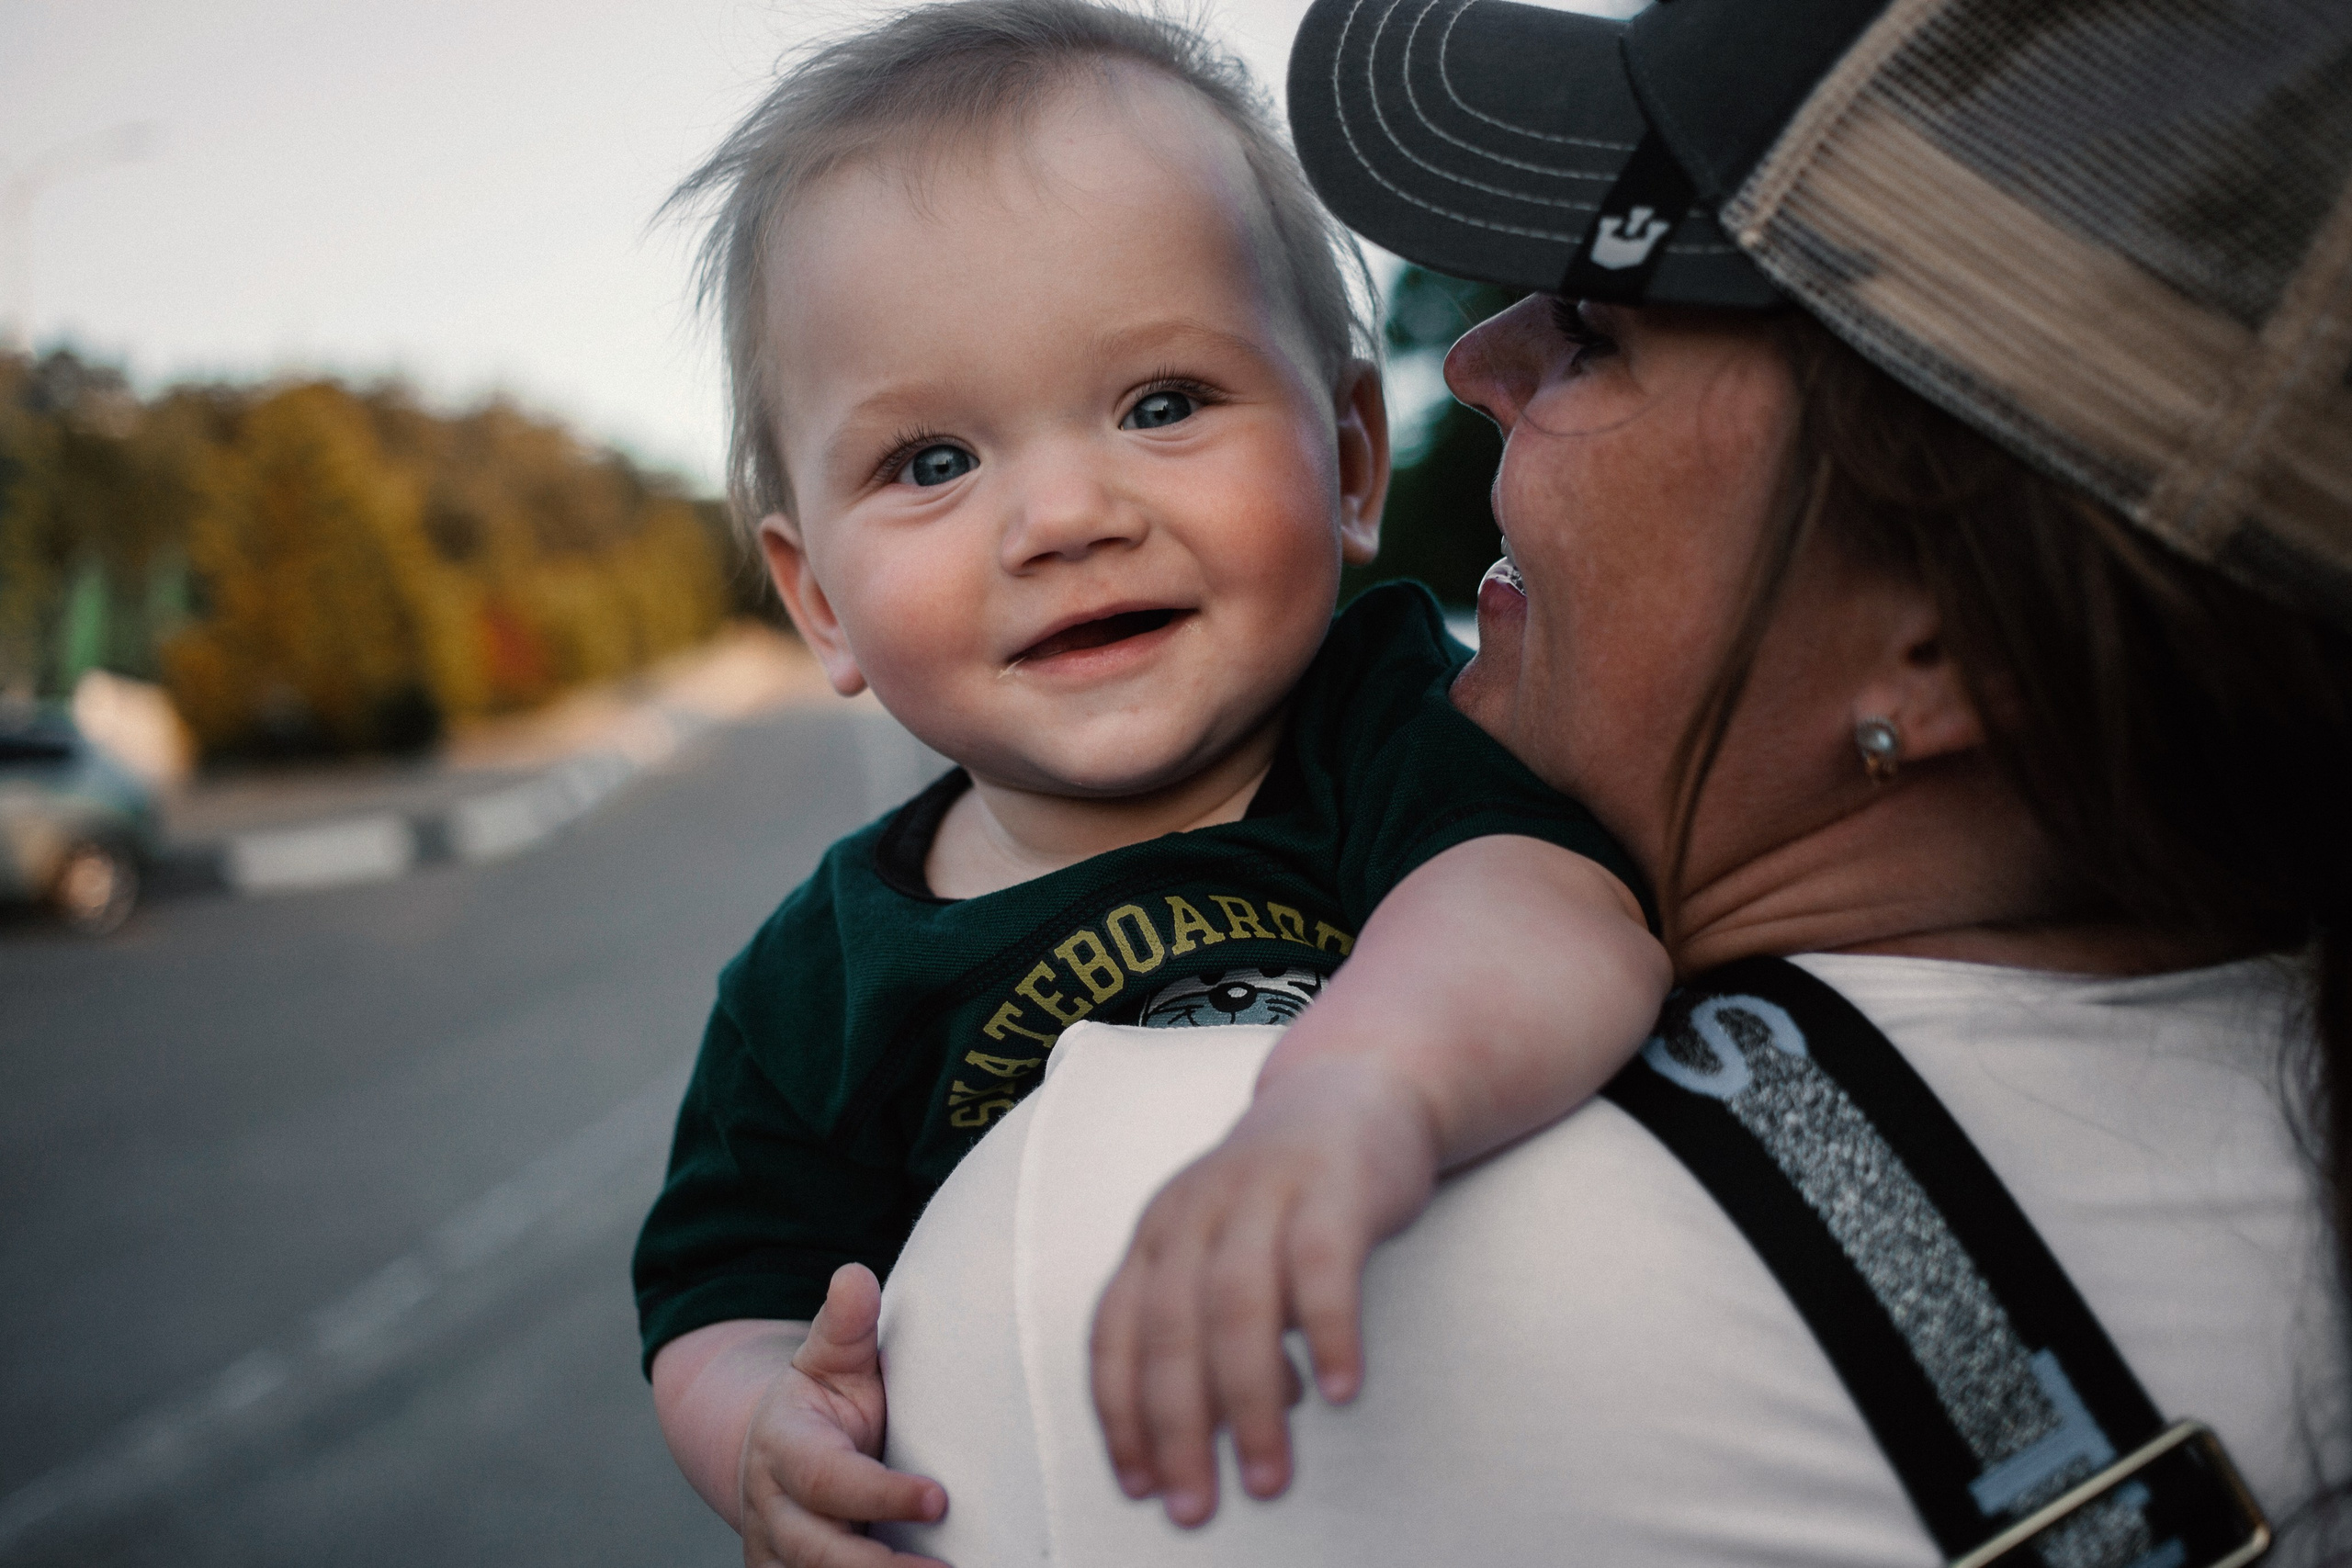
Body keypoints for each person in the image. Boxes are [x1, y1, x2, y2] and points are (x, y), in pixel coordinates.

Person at [868, 0, 2352, 1562]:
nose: (1482, 359)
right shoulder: (2289, 1185)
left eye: (1595, 329)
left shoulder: (1142, 1239)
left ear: (1950, 646)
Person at [629, 5, 1679, 1562]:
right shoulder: (815, 983)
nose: (1064, 516)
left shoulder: (1383, 730)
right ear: (819, 600)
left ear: (1350, 461)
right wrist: (765, 1435)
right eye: (932, 462)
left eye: (1162, 405)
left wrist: (1363, 1089)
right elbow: (724, 1298)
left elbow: (1547, 911)